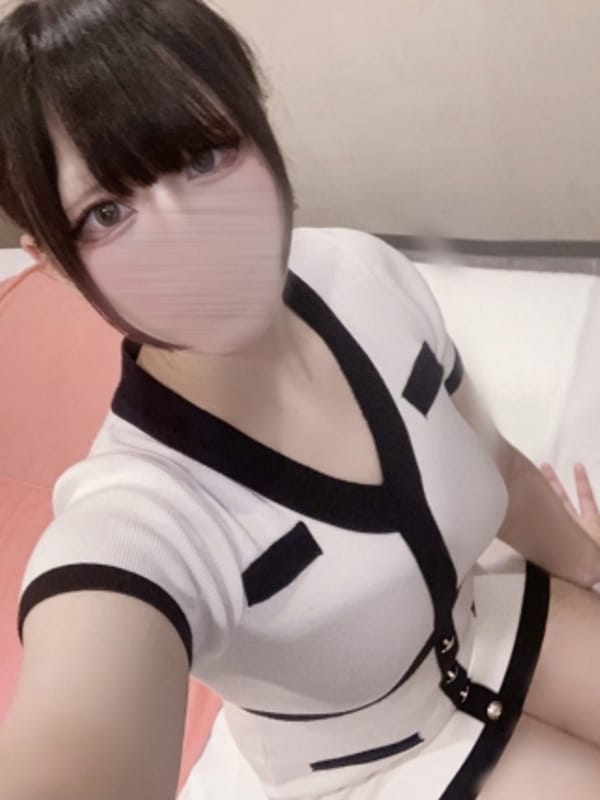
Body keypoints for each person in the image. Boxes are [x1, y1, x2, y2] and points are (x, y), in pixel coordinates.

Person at [0, 2, 599, 799]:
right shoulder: (142, 514)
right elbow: (88, 680)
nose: (192, 241)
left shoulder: (362, 273)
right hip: (374, 761)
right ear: (50, 261)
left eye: (206, 155)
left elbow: (493, 458)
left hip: (489, 616)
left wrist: (586, 561)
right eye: (107, 213)